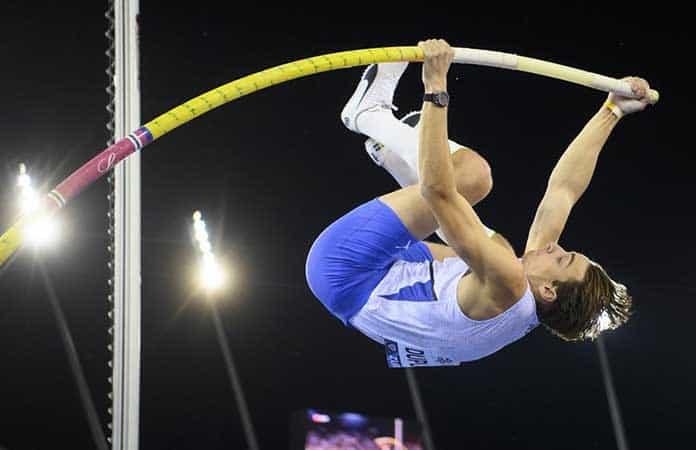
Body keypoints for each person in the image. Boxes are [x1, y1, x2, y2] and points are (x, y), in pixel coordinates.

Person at [306, 39, 650, 368]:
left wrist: (435, 84)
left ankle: (369, 115)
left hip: (345, 273)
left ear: (548, 290)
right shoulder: (531, 292)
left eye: (563, 258)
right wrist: (613, 110)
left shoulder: (510, 284)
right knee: (491, 245)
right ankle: (400, 152)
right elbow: (563, 191)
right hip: (390, 292)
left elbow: (438, 192)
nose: (556, 247)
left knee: (472, 177)